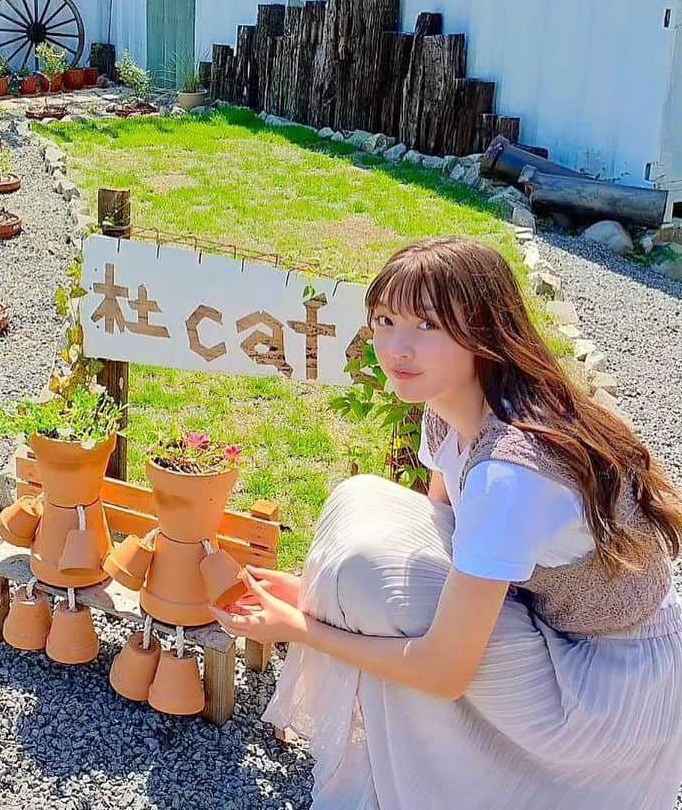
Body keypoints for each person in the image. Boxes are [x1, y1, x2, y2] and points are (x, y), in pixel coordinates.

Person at [211, 236, 682, 809]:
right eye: (384, 320)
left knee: (377, 582)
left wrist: (301, 628)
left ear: (484, 331)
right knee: (361, 507)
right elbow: (436, 532)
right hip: (556, 628)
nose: (396, 348)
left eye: (427, 325)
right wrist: (318, 594)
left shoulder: (508, 472)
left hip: (610, 685)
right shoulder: (451, 413)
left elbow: (442, 671)